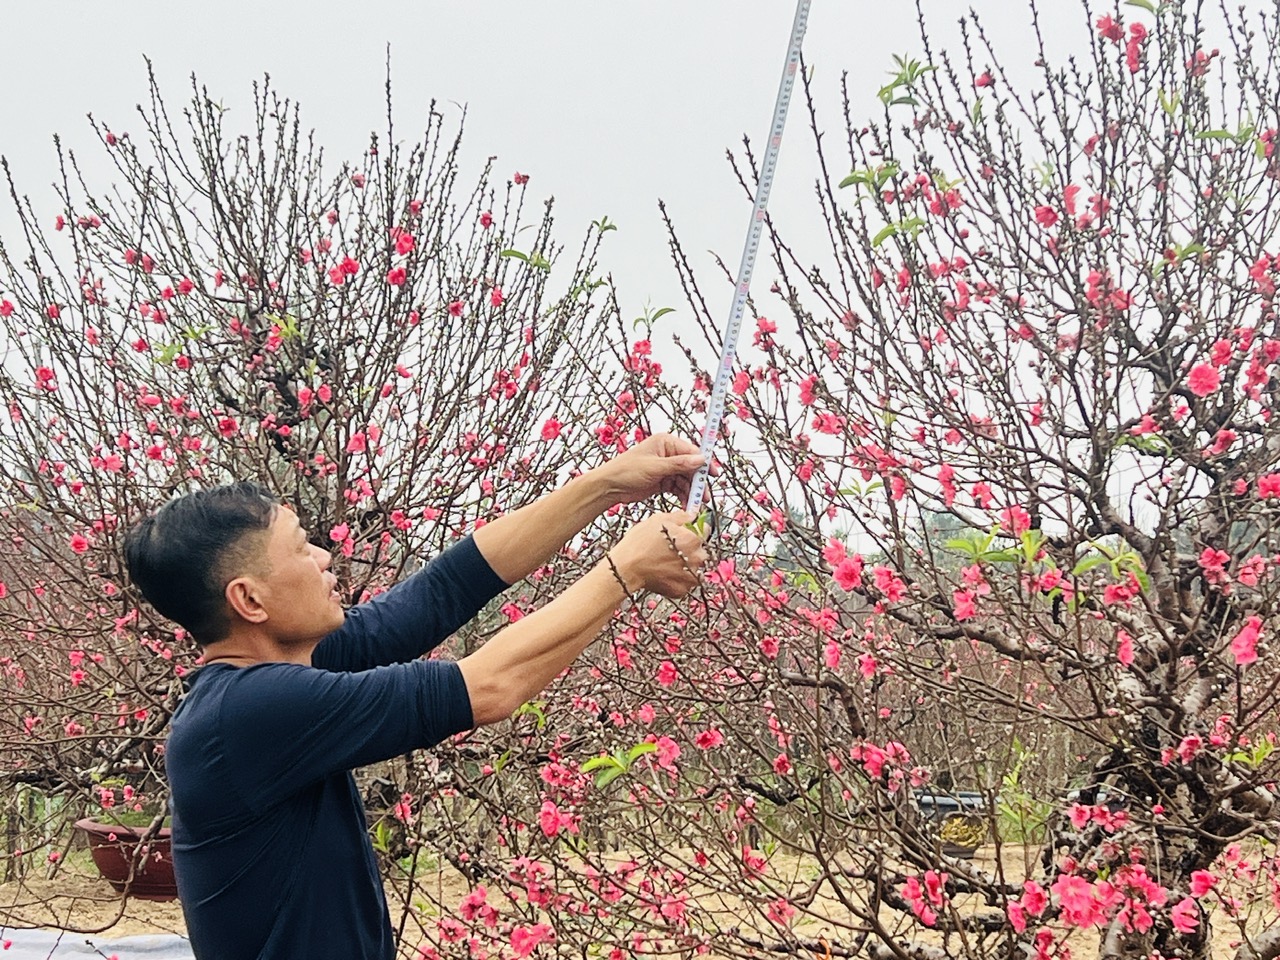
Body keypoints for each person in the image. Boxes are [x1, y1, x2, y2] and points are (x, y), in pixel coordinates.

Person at [122, 433, 709, 960]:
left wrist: (609, 483)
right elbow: (486, 687)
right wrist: (626, 570)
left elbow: (445, 589)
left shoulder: (274, 668)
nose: (325, 558)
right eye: (302, 549)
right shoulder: (249, 713)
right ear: (250, 600)